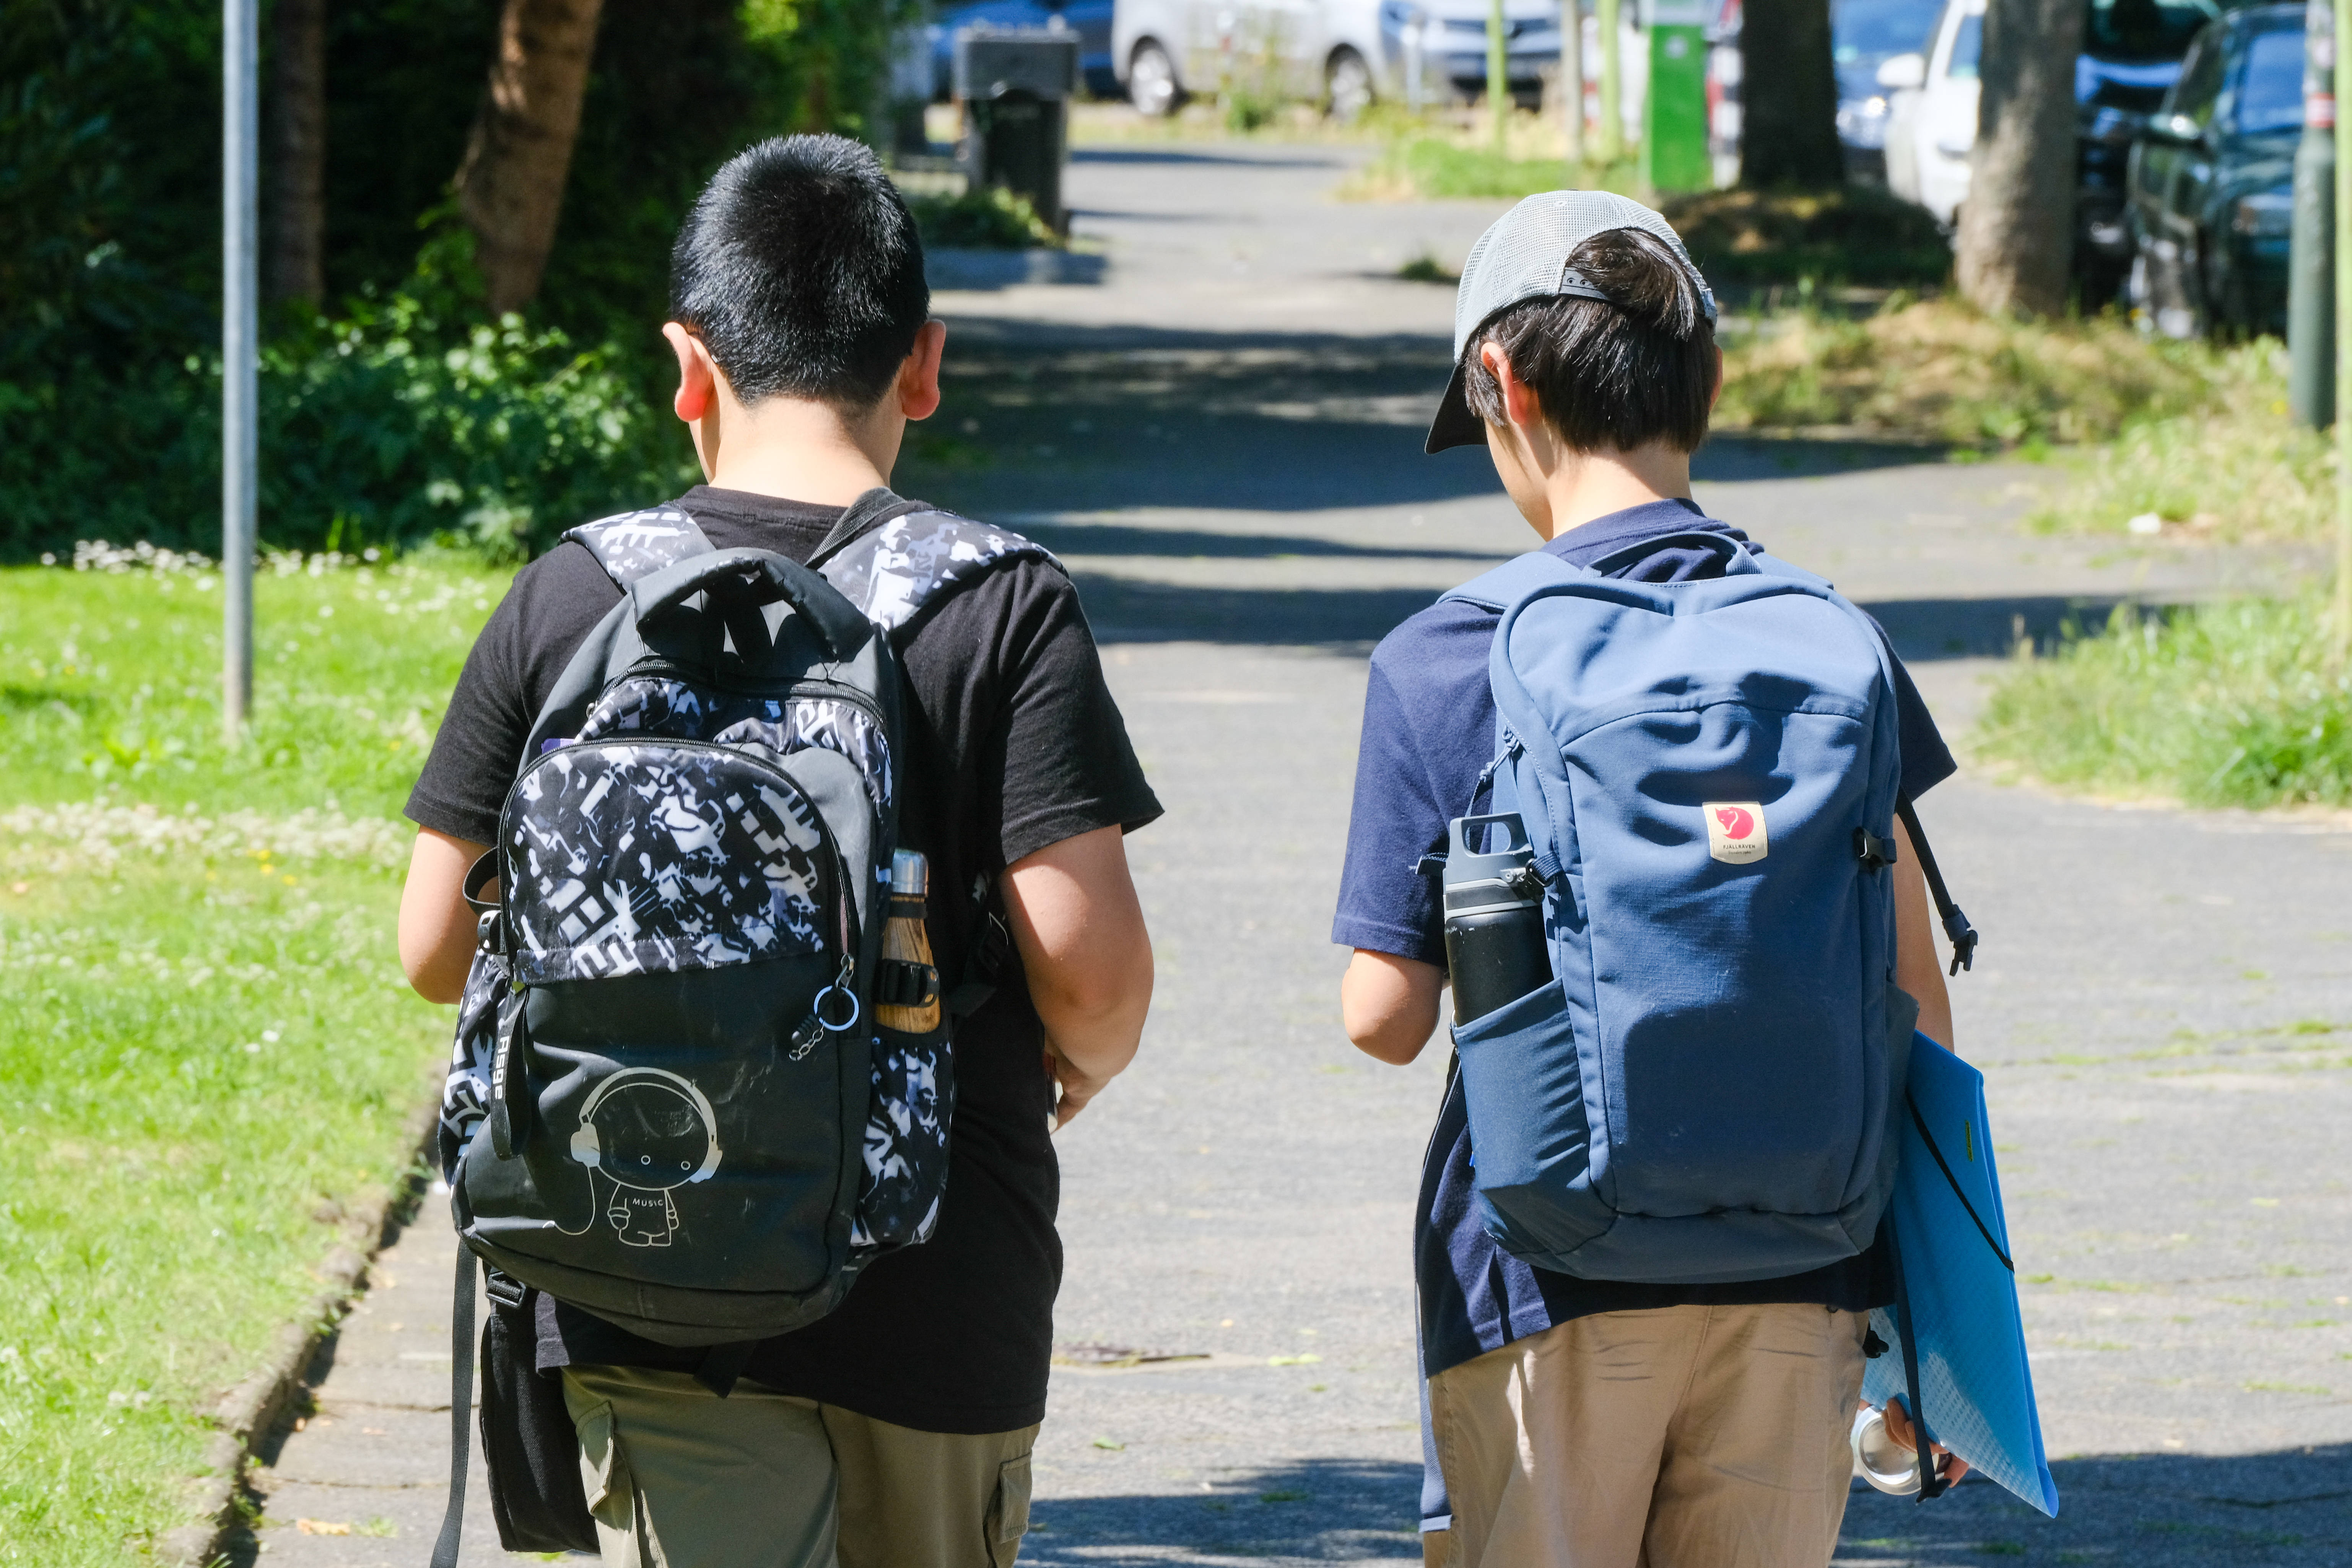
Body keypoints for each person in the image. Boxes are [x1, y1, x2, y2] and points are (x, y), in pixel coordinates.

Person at [396, 133, 1161, 1568]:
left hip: (642, 1256)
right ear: (923, 365)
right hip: (938, 1283)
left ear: (688, 366)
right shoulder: (1001, 609)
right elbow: (1095, 974)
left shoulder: (574, 591)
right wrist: (1081, 1064)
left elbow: (435, 948)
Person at [1330, 192, 1962, 1568]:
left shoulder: (1450, 657)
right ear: (1712, 381)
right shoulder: (1834, 642)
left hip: (1546, 1282)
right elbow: (1919, 1007)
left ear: (1504, 383)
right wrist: (1943, 1341)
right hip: (1807, 1272)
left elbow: (1383, 1020)